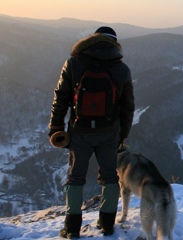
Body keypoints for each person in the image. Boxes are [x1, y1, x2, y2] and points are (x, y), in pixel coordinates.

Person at [48, 26, 135, 239]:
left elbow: (61, 98)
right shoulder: (121, 68)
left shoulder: (74, 63)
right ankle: (106, 223)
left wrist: (56, 128)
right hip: (109, 132)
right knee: (109, 176)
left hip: (80, 131)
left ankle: (72, 227)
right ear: (115, 43)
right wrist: (122, 135)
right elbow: (128, 106)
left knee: (75, 177)